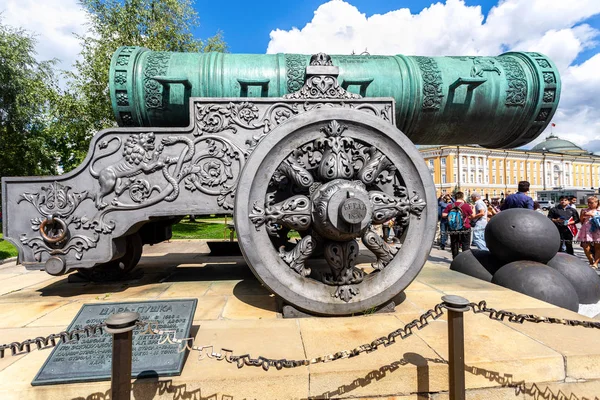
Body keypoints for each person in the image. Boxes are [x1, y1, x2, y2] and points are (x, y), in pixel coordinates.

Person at [442, 191, 474, 259]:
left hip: (453, 228)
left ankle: (455, 260)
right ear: (462, 197)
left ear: (455, 197)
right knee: (465, 244)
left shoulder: (450, 205)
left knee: (454, 244)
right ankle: (465, 260)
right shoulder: (466, 205)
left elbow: (443, 215)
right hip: (465, 227)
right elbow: (473, 215)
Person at [576, 196, 600, 267]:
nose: (589, 204)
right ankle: (591, 261)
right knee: (585, 247)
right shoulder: (584, 210)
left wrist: (594, 215)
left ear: (596, 202)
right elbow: (581, 221)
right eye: (588, 202)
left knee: (597, 247)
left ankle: (596, 263)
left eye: (591, 203)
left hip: (597, 230)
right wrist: (583, 215)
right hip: (586, 230)